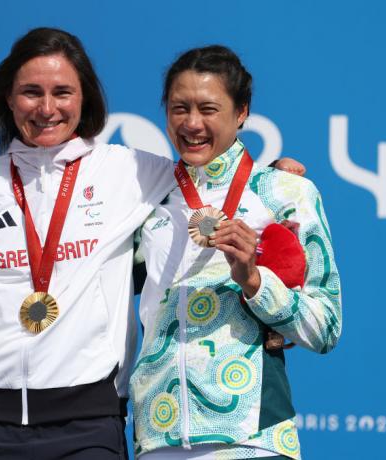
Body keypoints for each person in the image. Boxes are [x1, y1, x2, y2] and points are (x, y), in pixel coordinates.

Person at [0, 27, 177, 459]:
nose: (47, 108)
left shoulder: (129, 171)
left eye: (62, 92)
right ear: (8, 99)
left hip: (88, 423)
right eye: (31, 92)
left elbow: (211, 184)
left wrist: (273, 175)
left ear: (84, 97)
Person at [130, 46, 342, 459]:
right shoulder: (147, 197)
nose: (192, 123)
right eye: (179, 108)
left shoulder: (286, 192)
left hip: (251, 438)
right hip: (157, 434)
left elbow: (326, 326)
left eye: (208, 109)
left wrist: (256, 283)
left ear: (241, 112)